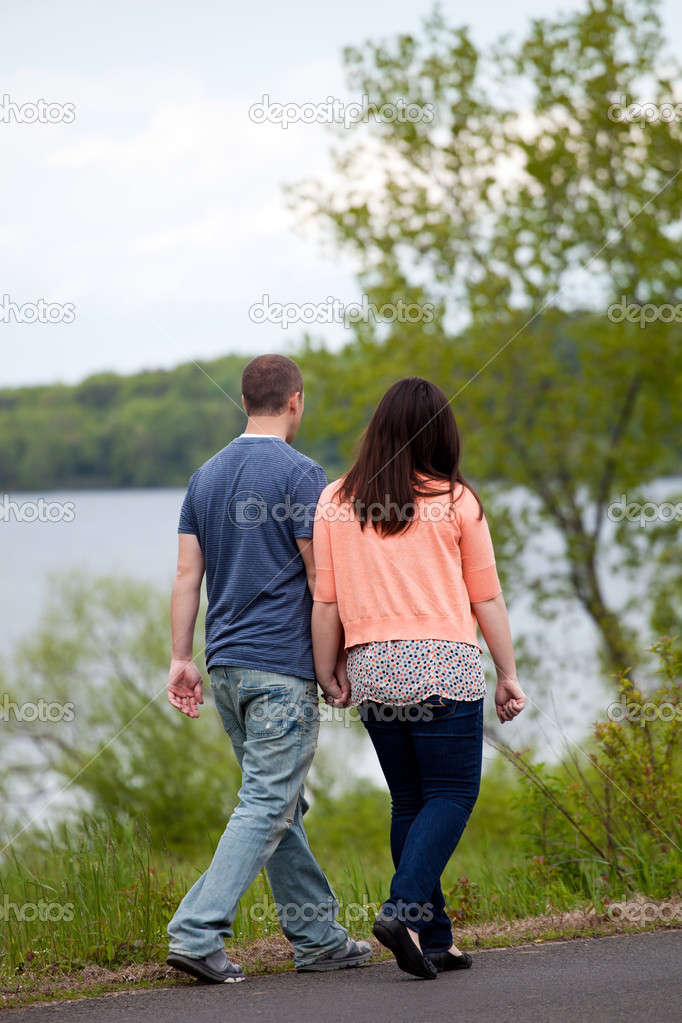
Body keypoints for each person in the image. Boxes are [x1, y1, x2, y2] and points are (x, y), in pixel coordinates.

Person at [165, 354, 371, 983]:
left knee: (281, 805)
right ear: (295, 401)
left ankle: (317, 938)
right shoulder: (305, 475)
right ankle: (196, 932)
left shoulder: (203, 476)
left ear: (245, 401)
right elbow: (321, 581)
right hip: (279, 670)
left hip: (224, 669)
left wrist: (180, 658)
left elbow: (186, 576)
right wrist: (332, 665)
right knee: (266, 803)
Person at [311, 377, 525, 981]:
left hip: (373, 666)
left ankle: (435, 938)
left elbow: (325, 602)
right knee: (453, 796)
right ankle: (403, 912)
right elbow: (487, 598)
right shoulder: (457, 502)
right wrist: (507, 673)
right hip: (443, 663)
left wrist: (328, 666)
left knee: (409, 800)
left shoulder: (334, 501)